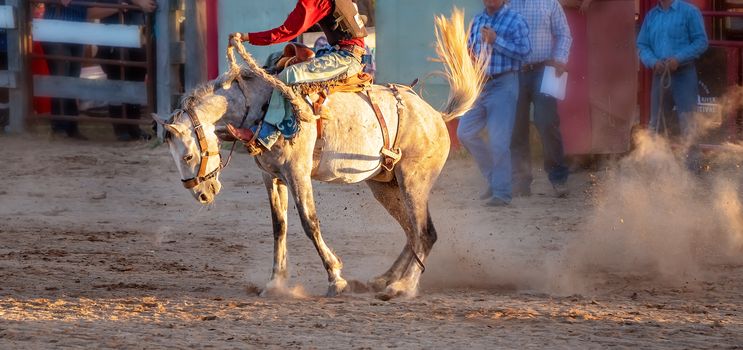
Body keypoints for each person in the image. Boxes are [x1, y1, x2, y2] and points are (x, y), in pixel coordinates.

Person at [228, 0, 367, 149]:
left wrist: (246, 37)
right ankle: (258, 118)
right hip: (337, 51)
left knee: (289, 74)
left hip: (348, 58)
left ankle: (266, 134)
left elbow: (287, 31)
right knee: (274, 60)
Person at [457, 0, 530, 207]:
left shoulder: (516, 20)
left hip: (503, 83)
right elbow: (470, 50)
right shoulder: (478, 20)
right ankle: (495, 179)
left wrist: (496, 40)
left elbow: (525, 52)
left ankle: (502, 192)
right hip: (479, 84)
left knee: (499, 141)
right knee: (465, 132)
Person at [509, 0, 572, 197]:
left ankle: (558, 177)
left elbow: (564, 34)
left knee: (547, 122)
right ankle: (521, 179)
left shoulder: (549, 3)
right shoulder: (506, 4)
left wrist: (560, 59)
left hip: (545, 70)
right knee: (516, 127)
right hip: (514, 72)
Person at [636, 0, 708, 138]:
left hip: (684, 74)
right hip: (660, 74)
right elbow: (642, 45)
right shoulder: (651, 16)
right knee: (656, 122)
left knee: (689, 123)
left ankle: (692, 159)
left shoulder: (690, 12)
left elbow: (701, 41)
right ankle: (657, 158)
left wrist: (678, 58)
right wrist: (653, 62)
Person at [93, 0, 157, 141]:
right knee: (117, 76)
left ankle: (133, 125)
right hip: (113, 35)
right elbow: (93, 11)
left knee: (137, 77)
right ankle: (120, 127)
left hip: (137, 32)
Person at [42, 0, 88, 140]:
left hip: (77, 28)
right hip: (56, 26)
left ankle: (70, 125)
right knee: (61, 76)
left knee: (72, 78)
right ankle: (60, 125)